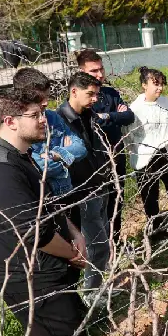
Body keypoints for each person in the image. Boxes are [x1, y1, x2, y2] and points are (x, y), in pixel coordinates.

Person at [0, 91, 88, 336]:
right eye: (35, 115)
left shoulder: (20, 156)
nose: (43, 120)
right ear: (10, 121)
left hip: (40, 267)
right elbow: (31, 231)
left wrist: (75, 233)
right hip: (27, 275)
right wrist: (74, 254)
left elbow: (47, 204)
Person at [56, 72, 111, 303]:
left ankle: (96, 289)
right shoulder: (59, 121)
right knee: (96, 245)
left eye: (97, 94)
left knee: (103, 240)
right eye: (90, 94)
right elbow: (63, 157)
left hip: (99, 183)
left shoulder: (89, 115)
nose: (95, 98)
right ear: (74, 91)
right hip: (81, 191)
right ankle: (90, 295)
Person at [76, 50, 134, 245]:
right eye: (94, 71)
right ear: (81, 72)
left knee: (117, 203)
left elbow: (129, 116)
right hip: (95, 163)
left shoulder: (110, 93)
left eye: (101, 69)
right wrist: (113, 116)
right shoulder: (80, 99)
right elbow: (91, 122)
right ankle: (100, 249)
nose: (100, 74)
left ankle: (115, 244)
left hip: (117, 156)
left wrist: (107, 116)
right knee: (98, 208)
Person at [125, 67, 168, 236]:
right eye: (155, 84)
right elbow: (128, 137)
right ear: (144, 85)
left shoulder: (166, 103)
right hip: (145, 157)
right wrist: (138, 151)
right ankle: (156, 229)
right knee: (150, 197)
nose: (160, 88)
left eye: (161, 84)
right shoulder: (135, 109)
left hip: (166, 151)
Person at [13, 68, 88, 198]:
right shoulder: (14, 125)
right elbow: (37, 168)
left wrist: (55, 155)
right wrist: (66, 159)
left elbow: (80, 148)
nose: (46, 102)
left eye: (47, 96)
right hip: (39, 199)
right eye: (40, 98)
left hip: (66, 194)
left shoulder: (53, 117)